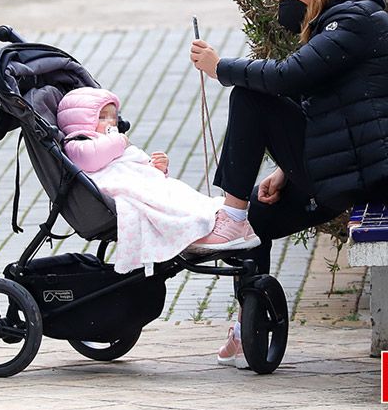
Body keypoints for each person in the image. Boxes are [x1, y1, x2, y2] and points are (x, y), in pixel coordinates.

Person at [189, 0, 388, 368]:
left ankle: (230, 214)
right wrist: (285, 171)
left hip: (366, 171)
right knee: (257, 225)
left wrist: (219, 66)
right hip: (355, 167)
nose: (284, 2)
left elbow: (288, 77)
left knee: (248, 98)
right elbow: (319, 107)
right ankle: (247, 319)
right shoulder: (347, 19)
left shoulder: (355, 20)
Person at [56, 87, 261, 275]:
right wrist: (118, 141)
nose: (111, 123)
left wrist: (155, 169)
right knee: (159, 204)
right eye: (102, 117)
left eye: (113, 117)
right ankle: (193, 232)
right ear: (81, 122)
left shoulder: (112, 143)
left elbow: (133, 166)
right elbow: (93, 158)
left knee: (176, 192)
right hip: (120, 190)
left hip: (140, 182)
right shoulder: (78, 143)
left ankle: (218, 221)